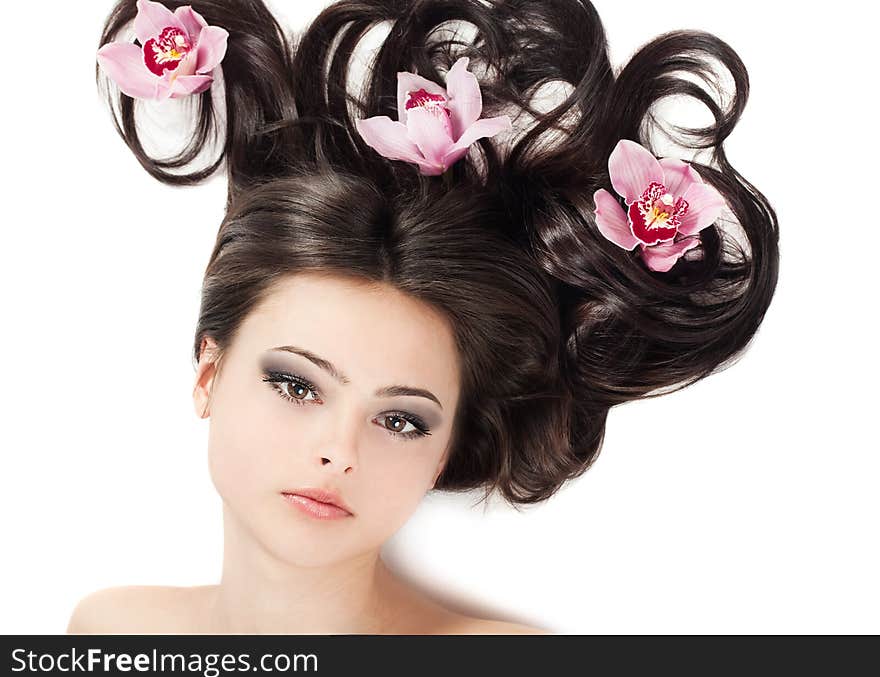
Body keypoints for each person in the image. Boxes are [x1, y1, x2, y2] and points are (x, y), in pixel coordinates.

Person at [68, 0, 778, 634]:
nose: (338, 451)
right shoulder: (109, 632)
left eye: (401, 418)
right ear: (209, 374)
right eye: (296, 384)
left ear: (442, 451)